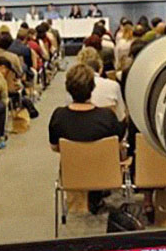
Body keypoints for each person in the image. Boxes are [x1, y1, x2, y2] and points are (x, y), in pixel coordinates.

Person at [48, 64, 125, 213]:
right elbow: (118, 145)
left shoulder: (58, 116)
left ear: (68, 88)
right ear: (92, 87)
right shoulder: (107, 117)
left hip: (73, 175)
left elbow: (55, 147)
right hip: (105, 175)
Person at [75, 47, 125, 120]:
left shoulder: (74, 86)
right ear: (100, 68)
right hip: (108, 128)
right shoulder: (113, 85)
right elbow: (121, 116)